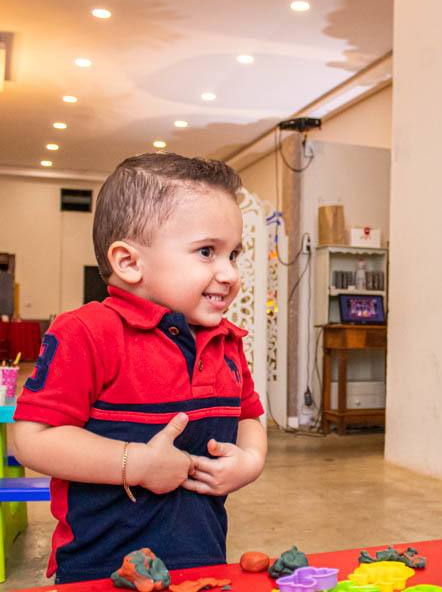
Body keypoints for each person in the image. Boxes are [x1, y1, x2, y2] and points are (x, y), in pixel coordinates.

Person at [11, 153, 267, 583]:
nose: (229, 273)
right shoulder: (86, 332)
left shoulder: (226, 340)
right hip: (99, 569)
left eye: (233, 254)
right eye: (207, 252)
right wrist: (137, 463)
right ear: (129, 262)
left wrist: (251, 460)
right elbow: (32, 440)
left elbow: (248, 417)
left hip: (201, 563)